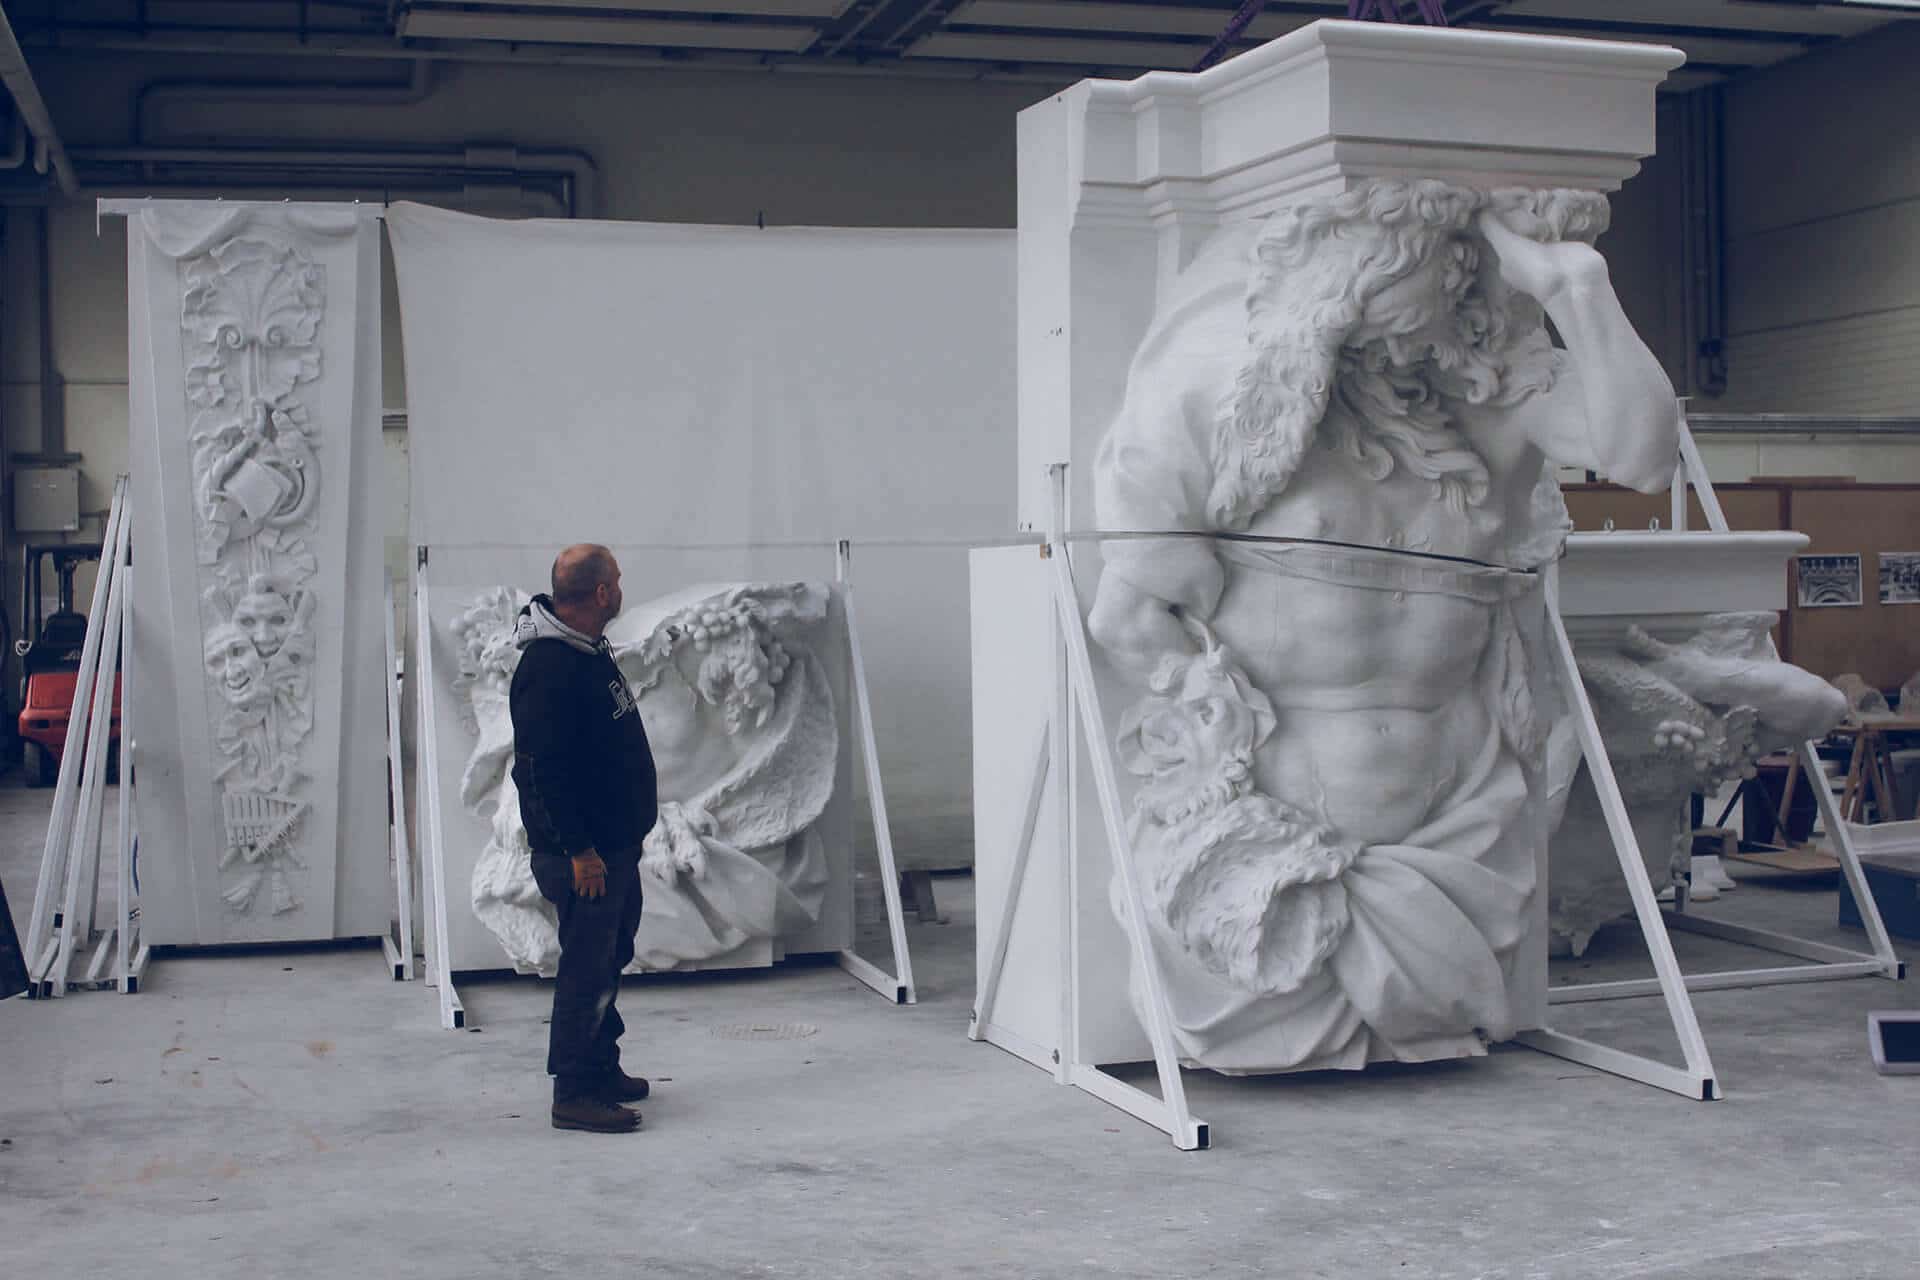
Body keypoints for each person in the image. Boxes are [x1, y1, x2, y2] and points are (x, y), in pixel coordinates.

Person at [509, 543, 659, 1132]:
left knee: (609, 957)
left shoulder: (587, 650)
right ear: (600, 592)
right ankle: (572, 1090)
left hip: (612, 846)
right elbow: (541, 772)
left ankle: (600, 1066)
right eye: (616, 580)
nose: (621, 588)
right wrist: (579, 850)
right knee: (586, 969)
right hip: (585, 855)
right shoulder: (548, 668)